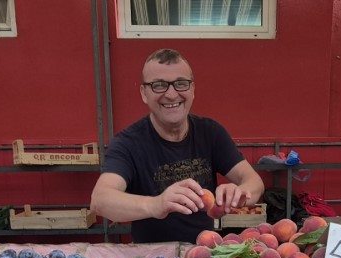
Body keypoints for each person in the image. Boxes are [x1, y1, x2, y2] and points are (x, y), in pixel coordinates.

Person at [91, 48, 264, 243]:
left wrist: (239, 194)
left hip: (204, 254)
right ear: (144, 93)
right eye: (159, 85)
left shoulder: (210, 133)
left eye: (180, 84)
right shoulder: (128, 143)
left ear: (192, 90)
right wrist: (157, 205)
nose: (172, 94)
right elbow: (100, 200)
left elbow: (254, 182)